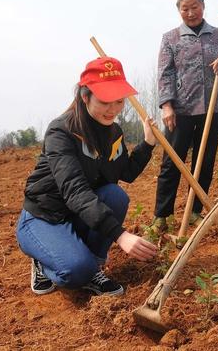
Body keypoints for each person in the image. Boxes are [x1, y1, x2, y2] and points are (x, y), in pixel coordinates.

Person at [16, 56, 159, 296]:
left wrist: (147, 143)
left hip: (78, 214)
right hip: (45, 216)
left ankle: (93, 268)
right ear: (85, 97)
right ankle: (45, 260)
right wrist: (120, 235)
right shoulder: (61, 131)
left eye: (119, 101)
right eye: (105, 101)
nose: (113, 109)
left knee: (115, 196)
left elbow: (126, 172)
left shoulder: (113, 132)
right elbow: (75, 190)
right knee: (74, 271)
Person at [148, 0, 218, 234]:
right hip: (181, 111)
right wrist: (167, 105)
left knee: (204, 161)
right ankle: (161, 216)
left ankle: (195, 211)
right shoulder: (171, 38)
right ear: (179, 11)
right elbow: (165, 74)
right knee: (171, 162)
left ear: (203, 6)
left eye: (194, 7)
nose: (190, 12)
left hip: (213, 108)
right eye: (184, 8)